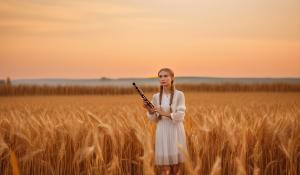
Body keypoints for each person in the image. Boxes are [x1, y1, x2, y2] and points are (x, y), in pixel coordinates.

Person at [143, 68, 188, 175]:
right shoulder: (156, 97)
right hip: (162, 131)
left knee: (176, 169)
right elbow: (154, 119)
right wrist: (149, 110)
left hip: (175, 130)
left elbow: (180, 116)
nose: (163, 79)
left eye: (166, 76)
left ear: (172, 78)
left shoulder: (179, 95)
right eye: (160, 76)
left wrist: (163, 113)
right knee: (165, 169)